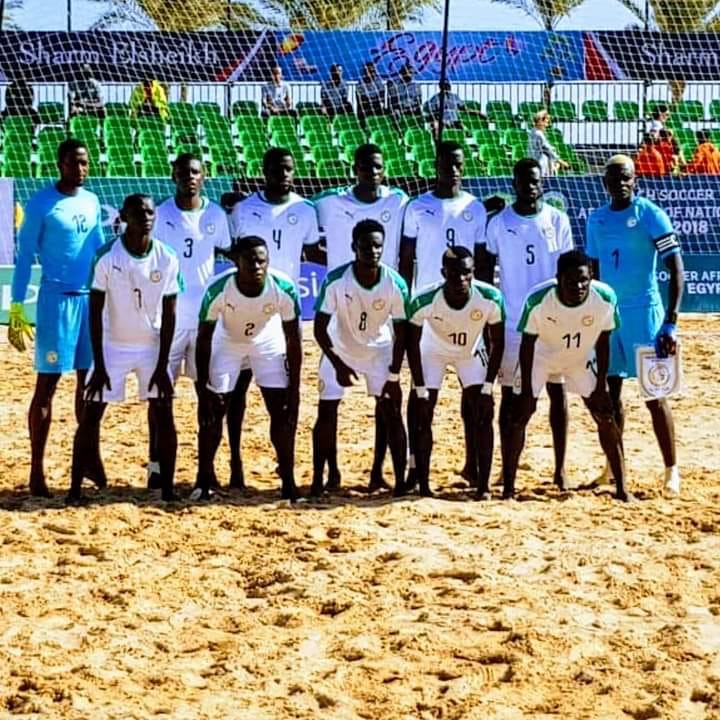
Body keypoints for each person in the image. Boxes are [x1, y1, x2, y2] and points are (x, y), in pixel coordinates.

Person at [68, 194, 181, 504]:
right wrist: (100, 363)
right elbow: (94, 312)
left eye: (150, 212)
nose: (146, 216)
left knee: (164, 413)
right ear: (124, 216)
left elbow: (170, 314)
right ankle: (74, 490)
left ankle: (167, 490)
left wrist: (162, 365)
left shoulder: (167, 257)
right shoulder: (107, 256)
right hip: (112, 348)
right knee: (90, 416)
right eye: (138, 212)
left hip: (151, 348)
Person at [9, 139, 104, 497]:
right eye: (74, 163)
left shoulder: (92, 201)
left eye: (85, 163)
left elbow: (99, 250)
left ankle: (88, 459)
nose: (81, 169)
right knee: (47, 387)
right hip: (55, 302)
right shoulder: (41, 203)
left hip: (88, 303)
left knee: (89, 386)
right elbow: (24, 258)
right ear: (60, 164)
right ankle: (37, 470)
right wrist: (18, 304)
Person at [586, 155, 684, 495]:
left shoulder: (650, 214)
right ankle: (613, 467)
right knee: (610, 395)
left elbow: (676, 268)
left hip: (645, 315)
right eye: (613, 179)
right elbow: (593, 275)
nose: (620, 183)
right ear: (605, 184)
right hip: (609, 319)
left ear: (635, 180)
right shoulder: (596, 220)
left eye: (625, 177)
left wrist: (670, 322)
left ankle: (671, 469)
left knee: (655, 395)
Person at [314, 143, 409, 490]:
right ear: (354, 169)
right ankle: (328, 474)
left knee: (388, 408)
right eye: (366, 167)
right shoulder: (327, 202)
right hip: (340, 330)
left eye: (378, 166)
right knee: (327, 408)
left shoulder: (399, 200)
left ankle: (381, 472)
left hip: (380, 330)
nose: (372, 172)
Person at [502, 250, 630, 501]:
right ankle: (508, 488)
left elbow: (604, 342)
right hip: (540, 357)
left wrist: (601, 384)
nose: (579, 286)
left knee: (605, 415)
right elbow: (526, 345)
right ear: (558, 278)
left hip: (578, 358)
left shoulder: (604, 297)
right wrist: (527, 389)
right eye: (572, 281)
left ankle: (623, 489)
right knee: (520, 415)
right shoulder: (538, 299)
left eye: (584, 280)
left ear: (591, 276)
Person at [478, 157, 574, 489]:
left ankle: (560, 470)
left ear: (541, 184)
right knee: (511, 397)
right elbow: (486, 275)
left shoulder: (557, 220)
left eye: (535, 181)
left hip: (552, 321)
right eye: (524, 181)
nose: (530, 186)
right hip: (513, 324)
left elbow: (568, 272)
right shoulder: (497, 223)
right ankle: (508, 469)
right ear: (514, 183)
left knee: (557, 391)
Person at [227, 147, 319, 488]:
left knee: (279, 400)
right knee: (235, 396)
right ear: (263, 170)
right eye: (278, 169)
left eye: (289, 169)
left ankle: (285, 465)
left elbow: (313, 250)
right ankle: (235, 463)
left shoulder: (305, 210)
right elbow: (230, 249)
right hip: (240, 312)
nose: (284, 174)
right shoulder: (242, 210)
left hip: (281, 318)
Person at [400, 140, 488, 484]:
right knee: (422, 397)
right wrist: (406, 307)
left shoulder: (475, 208)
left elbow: (482, 262)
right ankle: (412, 465)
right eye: (446, 164)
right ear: (434, 166)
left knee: (474, 395)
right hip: (427, 315)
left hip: (467, 314)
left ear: (463, 167)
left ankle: (472, 464)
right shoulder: (417, 207)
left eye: (458, 164)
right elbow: (406, 259)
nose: (452, 170)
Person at [195, 236, 302, 501]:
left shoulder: (283, 288)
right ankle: (204, 480)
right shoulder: (219, 289)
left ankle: (288, 482)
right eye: (250, 260)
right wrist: (202, 385)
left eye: (261, 260)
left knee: (281, 412)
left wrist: (295, 388)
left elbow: (293, 340)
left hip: (266, 342)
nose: (257, 266)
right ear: (236, 262)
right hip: (228, 342)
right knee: (214, 411)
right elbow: (204, 338)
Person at [148, 153, 232, 488]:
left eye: (195, 172)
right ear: (173, 176)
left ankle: (205, 469)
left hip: (205, 322)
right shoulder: (159, 213)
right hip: (165, 320)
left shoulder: (215, 214)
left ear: (205, 176)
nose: (189, 177)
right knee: (159, 397)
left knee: (208, 397)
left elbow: (227, 250)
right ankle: (156, 465)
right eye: (183, 172)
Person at [406, 247, 505, 498]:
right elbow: (412, 344)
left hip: (470, 352)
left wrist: (487, 386)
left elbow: (498, 343)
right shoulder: (424, 299)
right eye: (454, 274)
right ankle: (423, 483)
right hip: (433, 351)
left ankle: (482, 485)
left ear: (473, 273)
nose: (461, 280)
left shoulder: (490, 297)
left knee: (483, 412)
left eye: (466, 273)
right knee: (422, 412)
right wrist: (419, 388)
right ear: (443, 273)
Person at [528, 110, 569, 177]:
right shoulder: (538, 134)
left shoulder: (532, 132)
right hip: (540, 165)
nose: (547, 124)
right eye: (546, 121)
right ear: (540, 121)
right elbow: (547, 149)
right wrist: (560, 161)